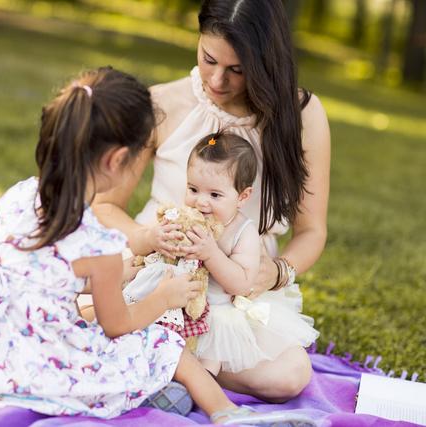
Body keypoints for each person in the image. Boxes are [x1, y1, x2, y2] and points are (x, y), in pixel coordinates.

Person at [0, 67, 246, 422]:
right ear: (115, 161)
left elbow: (43, 271)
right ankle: (228, 413)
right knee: (166, 346)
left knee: (91, 319)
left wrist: (108, 276)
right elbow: (119, 324)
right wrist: (165, 298)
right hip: (38, 376)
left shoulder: (19, 196)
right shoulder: (98, 239)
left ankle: (156, 392)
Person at [93, 0, 331, 403]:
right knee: (86, 292)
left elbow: (312, 231)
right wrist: (148, 236)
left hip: (238, 287)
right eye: (208, 60)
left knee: (289, 376)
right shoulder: (163, 102)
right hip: (158, 266)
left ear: (265, 64)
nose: (217, 81)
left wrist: (277, 272)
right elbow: (104, 205)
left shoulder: (302, 115)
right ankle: (171, 358)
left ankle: (159, 359)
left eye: (237, 70)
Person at [182, 131, 319, 375]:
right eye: (193, 189)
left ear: (242, 196)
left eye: (214, 195)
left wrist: (211, 254)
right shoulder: (188, 217)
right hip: (180, 300)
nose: (200, 202)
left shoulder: (243, 232)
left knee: (207, 361)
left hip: (218, 311)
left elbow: (242, 283)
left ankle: (193, 389)